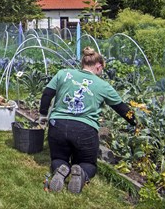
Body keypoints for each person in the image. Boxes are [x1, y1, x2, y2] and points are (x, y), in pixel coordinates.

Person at [38, 47, 136, 194]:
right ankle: (81, 172)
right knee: (88, 162)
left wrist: (43, 114)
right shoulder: (103, 85)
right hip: (84, 130)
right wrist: (135, 122)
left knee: (58, 157)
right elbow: (122, 109)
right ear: (99, 66)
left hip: (57, 126)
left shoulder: (63, 73)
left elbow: (47, 95)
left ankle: (61, 170)